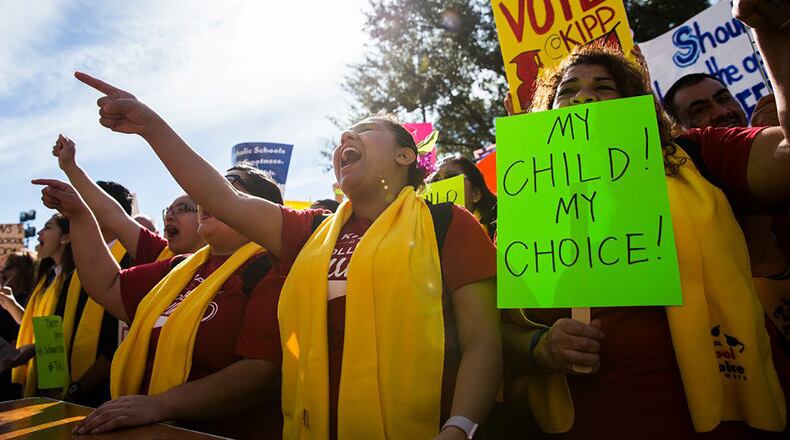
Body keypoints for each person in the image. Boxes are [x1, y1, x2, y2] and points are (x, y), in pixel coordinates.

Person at [73, 73, 501, 440]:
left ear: (405, 156)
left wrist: (459, 428)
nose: (345, 139)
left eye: (365, 129)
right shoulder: (312, 232)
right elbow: (221, 197)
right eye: (341, 138)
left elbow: (482, 340)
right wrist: (152, 127)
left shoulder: (447, 223)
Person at [501, 2, 789, 437]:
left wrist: (775, 36)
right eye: (567, 90)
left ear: (634, 103)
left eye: (604, 86)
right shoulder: (523, 203)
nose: (584, 96)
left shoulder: (696, 156)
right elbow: (496, 332)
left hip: (719, 420)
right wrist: (538, 347)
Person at [34, 166, 286, 438]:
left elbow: (262, 371)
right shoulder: (179, 268)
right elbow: (108, 286)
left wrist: (161, 404)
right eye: (209, 185)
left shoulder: (271, 267)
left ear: (265, 210)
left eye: (231, 184)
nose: (207, 194)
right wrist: (79, 214)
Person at [52, 134, 205, 266]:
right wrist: (69, 166)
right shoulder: (159, 254)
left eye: (182, 209)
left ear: (206, 215)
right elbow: (112, 215)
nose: (169, 217)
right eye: (168, 211)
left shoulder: (224, 268)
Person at [3, 214, 74, 397]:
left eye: (48, 228)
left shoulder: (74, 277)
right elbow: (38, 327)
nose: (39, 233)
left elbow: (67, 333)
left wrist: (33, 348)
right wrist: (10, 305)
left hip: (60, 375)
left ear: (65, 238)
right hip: (39, 371)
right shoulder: (47, 278)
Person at [429, 155, 497, 240]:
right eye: (434, 181)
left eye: (451, 177)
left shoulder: (501, 226)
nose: (442, 185)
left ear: (475, 193)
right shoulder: (429, 237)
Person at [0, 250, 36, 400]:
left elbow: (34, 329)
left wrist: (11, 305)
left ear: (24, 270)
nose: (2, 271)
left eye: (8, 267)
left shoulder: (33, 299)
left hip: (18, 378)